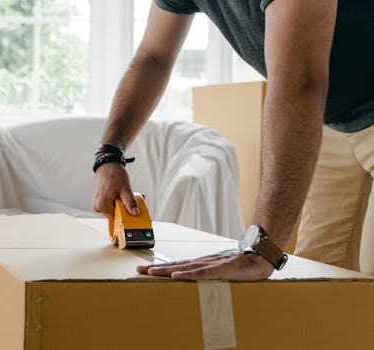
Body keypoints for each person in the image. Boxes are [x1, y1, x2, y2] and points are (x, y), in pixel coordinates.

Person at [93, 0, 374, 280]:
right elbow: (153, 57)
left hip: (338, 106)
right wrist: (109, 153)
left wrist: (262, 248)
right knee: (323, 284)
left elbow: (301, 82)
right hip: (336, 123)